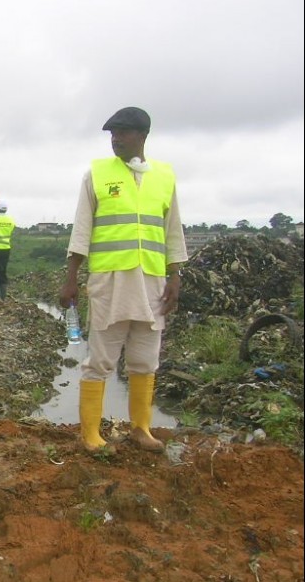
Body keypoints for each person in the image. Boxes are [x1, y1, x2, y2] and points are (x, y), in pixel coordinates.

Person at [59, 106, 188, 453]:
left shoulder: (164, 176)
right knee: (100, 360)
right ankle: (90, 434)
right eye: (111, 134)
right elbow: (81, 229)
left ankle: (141, 428)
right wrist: (70, 277)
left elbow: (172, 231)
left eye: (122, 133)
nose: (115, 139)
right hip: (110, 282)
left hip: (151, 283)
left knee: (146, 358)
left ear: (142, 136)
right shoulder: (97, 174)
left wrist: (175, 277)